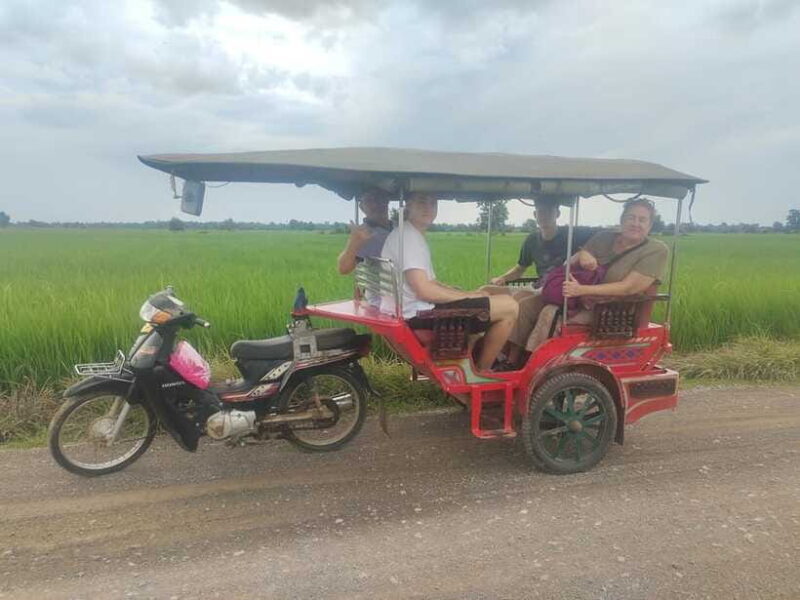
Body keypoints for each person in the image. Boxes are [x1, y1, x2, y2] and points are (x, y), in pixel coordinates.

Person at [507, 197, 668, 359]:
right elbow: (581, 253)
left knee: (551, 313)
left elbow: (629, 287)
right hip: (577, 298)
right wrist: (584, 255)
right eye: (631, 217)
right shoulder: (605, 237)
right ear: (622, 219)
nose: (635, 223)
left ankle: (534, 363)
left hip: (613, 309)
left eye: (642, 220)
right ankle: (510, 359)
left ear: (650, 225)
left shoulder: (655, 250)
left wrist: (581, 290)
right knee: (526, 306)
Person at [381, 192, 519, 372]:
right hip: (417, 316)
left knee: (489, 294)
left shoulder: (409, 233)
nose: (428, 208)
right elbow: (424, 291)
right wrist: (467, 297)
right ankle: (484, 372)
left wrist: (465, 294)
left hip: (413, 310)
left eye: (433, 203)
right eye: (422, 201)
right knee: (510, 307)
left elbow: (431, 282)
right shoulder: (409, 238)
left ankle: (477, 357)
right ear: (407, 205)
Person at [489, 195, 596, 287]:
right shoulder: (531, 240)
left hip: (565, 289)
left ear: (557, 213)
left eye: (549, 211)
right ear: (535, 215)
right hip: (542, 287)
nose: (545, 216)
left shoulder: (573, 233)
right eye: (541, 211)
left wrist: (585, 252)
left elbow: (605, 234)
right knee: (492, 293)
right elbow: (520, 269)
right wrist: (502, 278)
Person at [337, 188, 393, 275]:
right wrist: (354, 242)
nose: (376, 204)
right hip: (382, 286)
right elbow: (343, 268)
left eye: (380, 199)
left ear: (387, 201)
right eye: (369, 200)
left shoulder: (399, 226)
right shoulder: (363, 233)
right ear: (361, 207)